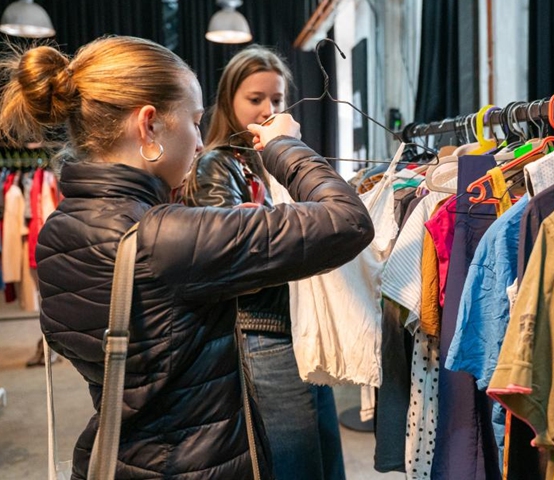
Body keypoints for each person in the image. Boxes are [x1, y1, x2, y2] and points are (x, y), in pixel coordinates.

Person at [0, 36, 374, 479]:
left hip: (117, 456)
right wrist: (283, 146)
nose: (199, 141)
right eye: (195, 122)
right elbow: (349, 221)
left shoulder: (59, 229)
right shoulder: (165, 237)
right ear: (149, 125)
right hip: (198, 466)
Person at [182, 45, 346, 480]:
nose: (268, 109)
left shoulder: (261, 160)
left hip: (292, 326)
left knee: (320, 456)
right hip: (264, 332)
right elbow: (236, 257)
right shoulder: (219, 163)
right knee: (297, 462)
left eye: (276, 99)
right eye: (255, 99)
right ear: (229, 99)